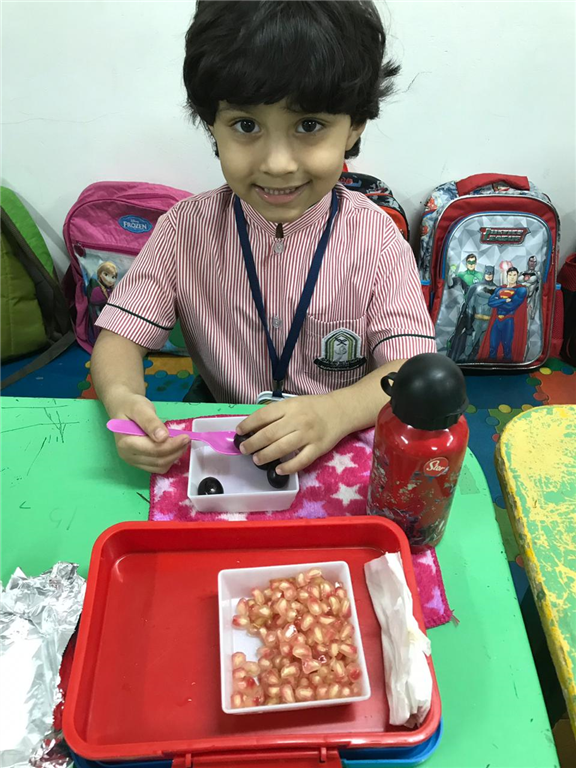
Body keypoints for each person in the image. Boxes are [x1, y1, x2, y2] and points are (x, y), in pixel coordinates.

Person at [91, 0, 436, 476]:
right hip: (223, 426)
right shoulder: (182, 231)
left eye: (309, 125)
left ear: (354, 126)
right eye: (246, 125)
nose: (277, 164)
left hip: (340, 432)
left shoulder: (376, 240)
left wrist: (334, 412)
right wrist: (123, 398)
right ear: (211, 124)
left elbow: (411, 368)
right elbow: (118, 341)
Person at [486, 267, 528, 361]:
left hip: (508, 321)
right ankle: (490, 367)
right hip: (497, 321)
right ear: (507, 276)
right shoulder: (499, 289)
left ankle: (508, 367)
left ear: (517, 276)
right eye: (510, 275)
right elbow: (490, 303)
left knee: (507, 348)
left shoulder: (521, 290)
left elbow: (511, 306)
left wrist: (498, 301)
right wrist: (504, 300)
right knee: (493, 346)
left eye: (514, 275)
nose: (512, 277)